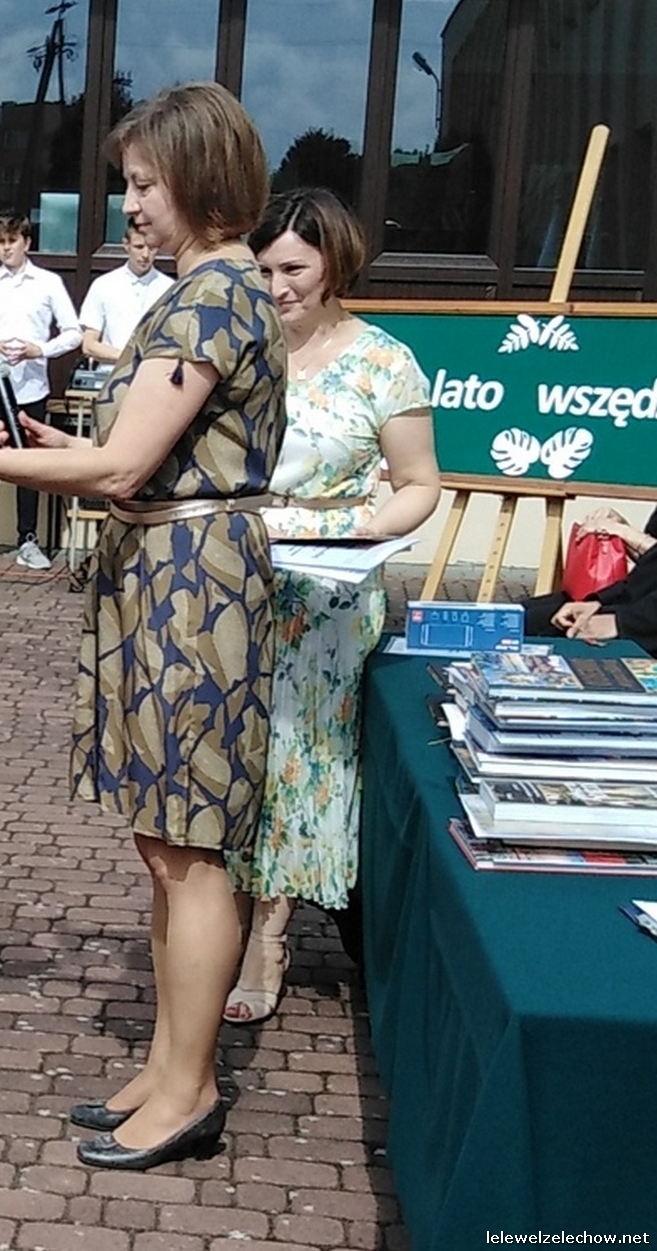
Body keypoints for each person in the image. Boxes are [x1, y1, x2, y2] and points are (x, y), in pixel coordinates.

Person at [0, 83, 285, 1173]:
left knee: (191, 848)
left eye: (145, 183)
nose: (130, 204)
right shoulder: (203, 292)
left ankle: (190, 1085)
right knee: (164, 842)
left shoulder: (212, 298)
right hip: (165, 573)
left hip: (192, 585)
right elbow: (141, 455)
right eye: (129, 183)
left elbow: (123, 466)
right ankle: (170, 1065)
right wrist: (54, 447)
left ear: (201, 180)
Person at [224, 188, 440, 1024]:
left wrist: (368, 530)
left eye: (294, 269)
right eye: (263, 270)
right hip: (235, 580)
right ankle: (221, 911)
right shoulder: (240, 351)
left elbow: (419, 483)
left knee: (296, 760)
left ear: (334, 264)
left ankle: (267, 934)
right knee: (233, 756)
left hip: (328, 593)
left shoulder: (384, 362)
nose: (278, 287)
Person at [0, 210, 81, 569]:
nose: (6, 248)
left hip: (30, 389)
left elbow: (73, 332)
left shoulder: (48, 283)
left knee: (28, 464)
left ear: (27, 242)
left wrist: (41, 350)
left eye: (12, 241)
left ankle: (28, 539)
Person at [523, 505, 657, 647]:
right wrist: (598, 601)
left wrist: (620, 622)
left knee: (536, 631)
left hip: (642, 624)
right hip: (632, 601)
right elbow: (650, 567)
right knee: (521, 616)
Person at [79, 218, 173, 366]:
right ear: (126, 245)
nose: (145, 254)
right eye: (139, 247)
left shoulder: (169, 288)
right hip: (112, 372)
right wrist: (127, 357)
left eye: (151, 248)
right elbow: (89, 345)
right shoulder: (104, 285)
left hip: (153, 372)